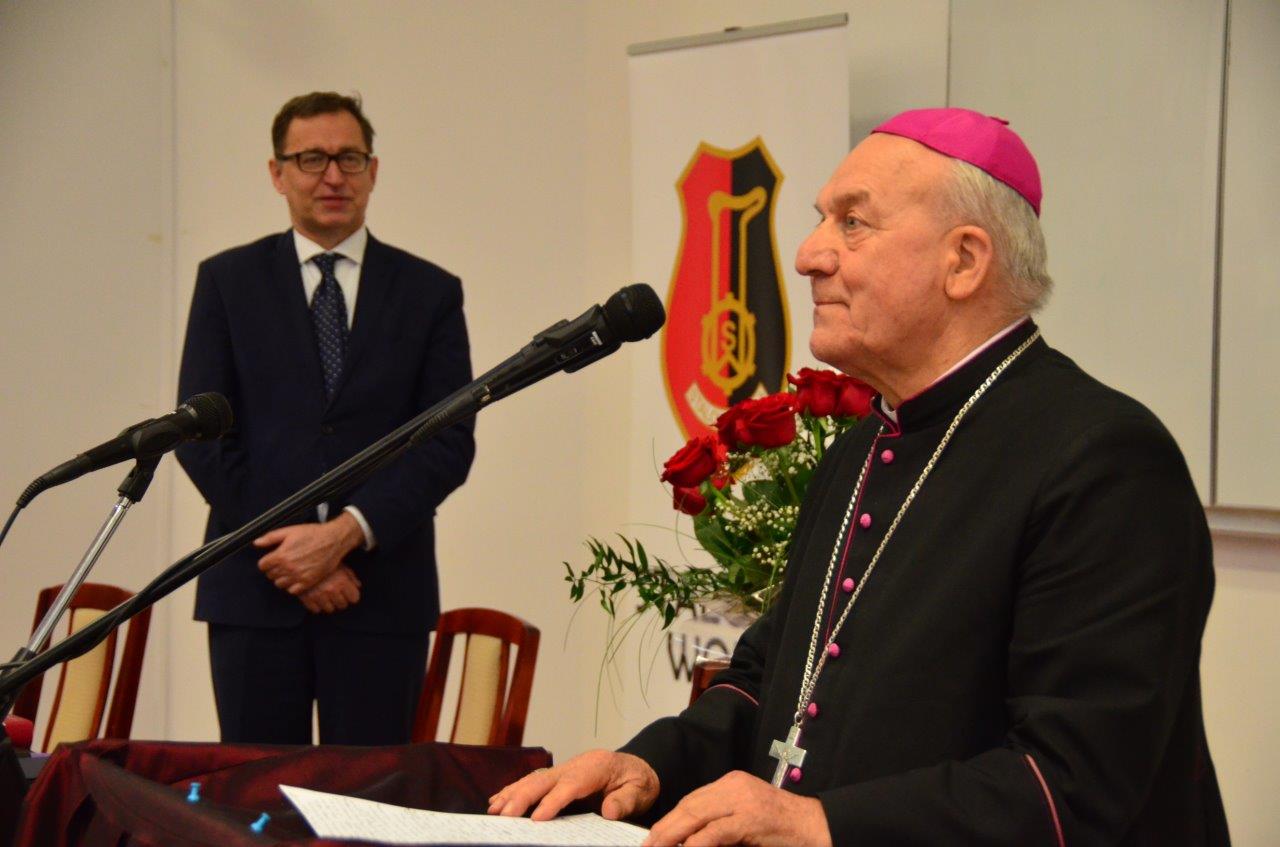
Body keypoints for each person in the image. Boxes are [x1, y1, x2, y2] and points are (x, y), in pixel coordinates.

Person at [489, 108, 1229, 845]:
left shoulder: (1104, 460)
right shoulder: (861, 448)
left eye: (852, 223)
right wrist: (651, 763)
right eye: (822, 221)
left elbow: (1074, 783)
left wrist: (825, 823)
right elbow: (771, 681)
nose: (809, 255)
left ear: (964, 261)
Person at [176, 92, 475, 746]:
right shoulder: (227, 281)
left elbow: (447, 442)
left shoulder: (429, 292)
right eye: (312, 159)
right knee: (255, 794)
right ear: (277, 173)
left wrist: (343, 535)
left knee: (369, 796)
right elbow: (200, 436)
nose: (333, 176)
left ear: (374, 170)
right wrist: (293, 548)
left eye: (349, 158)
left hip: (380, 593)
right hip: (255, 592)